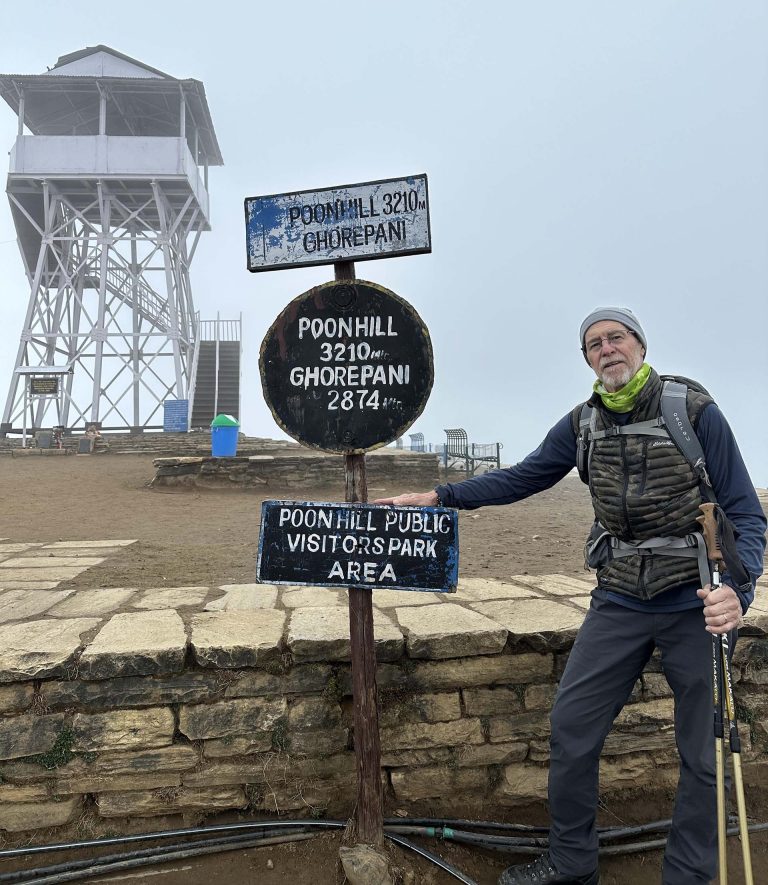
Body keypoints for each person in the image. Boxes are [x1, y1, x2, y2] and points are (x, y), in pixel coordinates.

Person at [375, 307, 766, 885]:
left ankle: (689, 874)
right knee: (571, 726)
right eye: (593, 344)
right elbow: (523, 477)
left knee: (704, 751)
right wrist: (440, 496)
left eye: (616, 338)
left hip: (697, 600)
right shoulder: (582, 423)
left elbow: (745, 513)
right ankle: (571, 863)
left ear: (639, 345)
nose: (606, 349)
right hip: (619, 599)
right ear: (587, 359)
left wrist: (738, 590)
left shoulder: (693, 410)